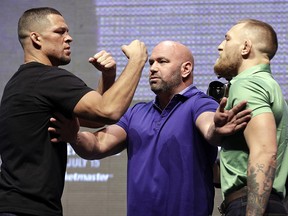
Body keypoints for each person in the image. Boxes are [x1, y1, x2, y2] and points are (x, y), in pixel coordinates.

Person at [49, 40, 252, 216]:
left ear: (186, 69)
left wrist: (217, 130)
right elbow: (99, 144)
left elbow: (209, 128)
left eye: (162, 62)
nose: (153, 68)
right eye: (151, 62)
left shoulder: (200, 103)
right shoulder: (137, 112)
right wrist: (73, 136)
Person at [0, 7, 147, 216]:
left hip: (17, 206)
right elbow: (109, 111)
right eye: (60, 32)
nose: (69, 38)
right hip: (27, 210)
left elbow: (94, 120)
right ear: (36, 38)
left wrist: (108, 76)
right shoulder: (48, 78)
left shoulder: (23, 82)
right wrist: (137, 61)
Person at [214, 19, 288, 215]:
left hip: (251, 205)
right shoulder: (269, 86)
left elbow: (265, 151)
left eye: (227, 39)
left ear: (245, 47)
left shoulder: (247, 84)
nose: (220, 47)